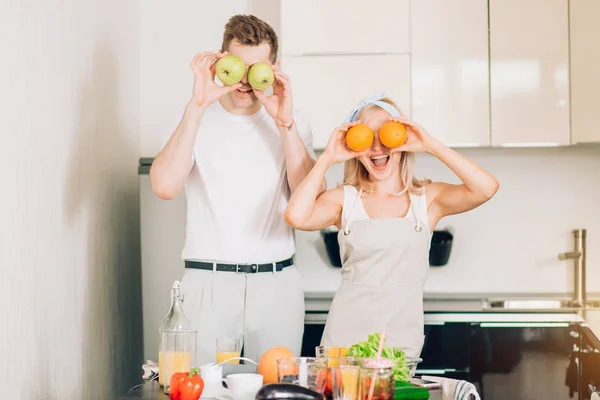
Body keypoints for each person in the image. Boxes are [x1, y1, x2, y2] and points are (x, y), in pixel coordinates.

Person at [150, 14, 323, 365]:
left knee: (280, 388)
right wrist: (197, 105)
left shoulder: (292, 119)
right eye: (237, 66)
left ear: (274, 68)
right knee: (202, 388)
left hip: (277, 280)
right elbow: (165, 186)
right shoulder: (192, 118)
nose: (245, 81)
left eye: (257, 69)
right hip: (207, 279)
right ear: (219, 60)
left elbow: (311, 202)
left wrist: (284, 123)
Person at [284, 93, 499, 358]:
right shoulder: (345, 200)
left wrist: (430, 144)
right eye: (366, 138)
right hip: (344, 342)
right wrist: (327, 157)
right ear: (354, 147)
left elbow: (487, 188)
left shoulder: (427, 200)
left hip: (400, 345)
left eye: (385, 136)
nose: (376, 148)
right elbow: (296, 216)